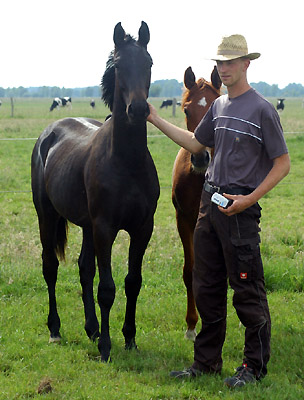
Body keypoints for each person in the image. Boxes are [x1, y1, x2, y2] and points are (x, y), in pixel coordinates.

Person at [147, 34, 290, 388]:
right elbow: (196, 143)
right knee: (206, 285)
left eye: (230, 62)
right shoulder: (219, 106)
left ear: (246, 64)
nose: (224, 68)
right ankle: (205, 362)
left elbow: (282, 163)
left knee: (247, 290)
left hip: (239, 210)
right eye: (220, 63)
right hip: (209, 207)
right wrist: (154, 119)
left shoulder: (262, 109)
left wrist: (249, 198)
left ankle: (253, 368)